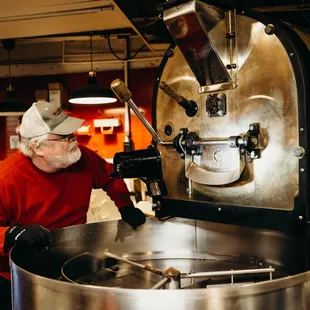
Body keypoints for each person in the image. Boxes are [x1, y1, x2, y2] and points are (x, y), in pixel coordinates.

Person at [0, 101, 146, 309]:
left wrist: (125, 206)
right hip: (20, 279)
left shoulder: (83, 158)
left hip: (72, 266)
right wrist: (13, 235)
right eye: (64, 137)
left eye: (72, 134)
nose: (73, 141)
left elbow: (111, 177)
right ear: (37, 147)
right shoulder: (6, 179)